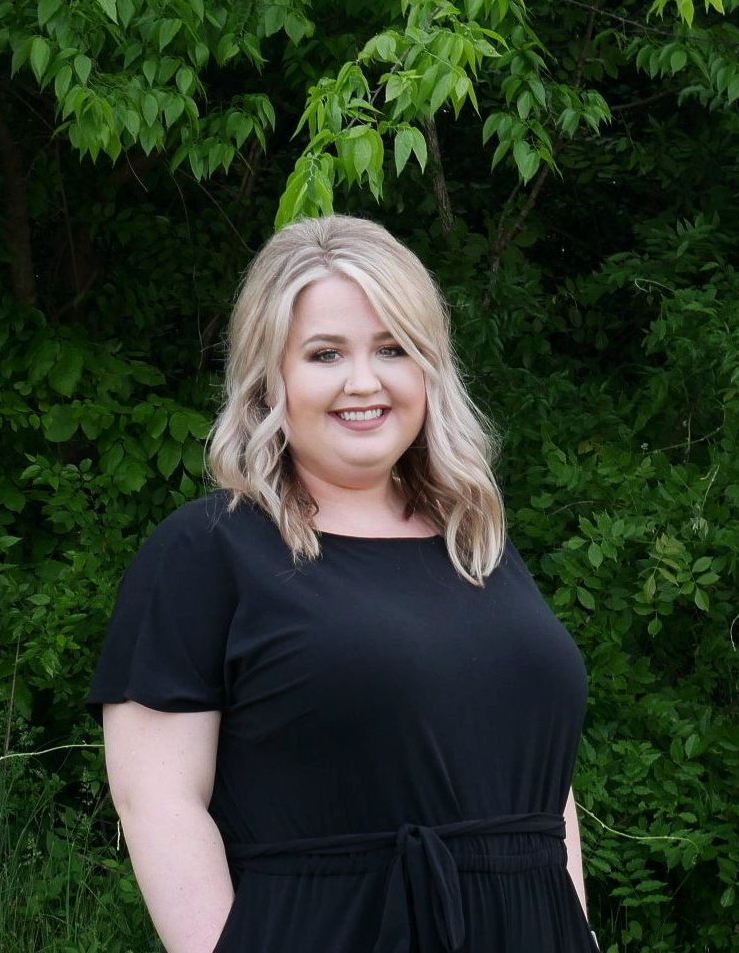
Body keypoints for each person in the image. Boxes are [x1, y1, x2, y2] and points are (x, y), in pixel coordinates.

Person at [87, 215, 595, 952]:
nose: (365, 381)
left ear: (429, 367)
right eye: (325, 354)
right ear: (271, 377)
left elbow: (543, 802)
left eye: (393, 348)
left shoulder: (477, 544)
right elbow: (157, 802)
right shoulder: (207, 552)